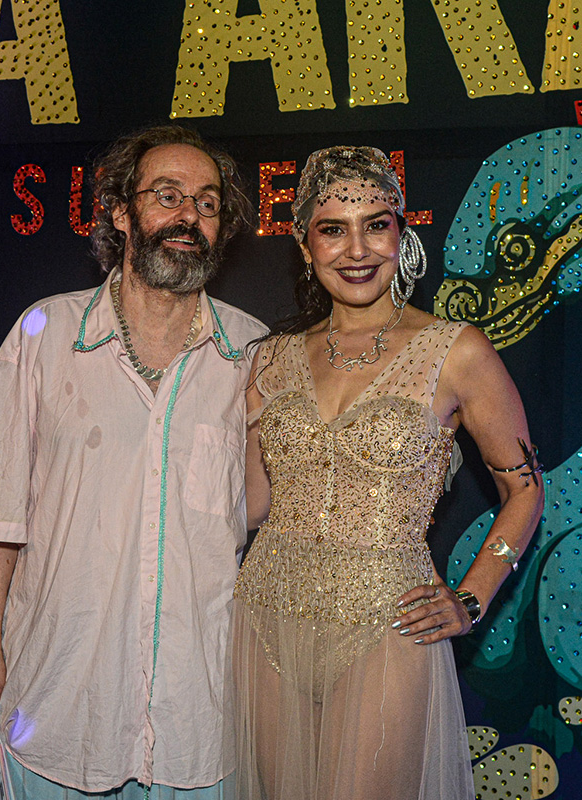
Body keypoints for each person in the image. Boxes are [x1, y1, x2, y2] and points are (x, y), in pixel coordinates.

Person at [0, 125, 267, 800]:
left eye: (207, 203)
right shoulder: (43, 337)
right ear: (122, 212)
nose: (188, 216)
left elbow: (260, 512)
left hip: (197, 718)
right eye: (168, 195)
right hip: (58, 706)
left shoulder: (255, 356)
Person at [232, 146, 545, 800]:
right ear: (304, 244)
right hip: (266, 615)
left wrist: (472, 597)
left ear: (402, 234)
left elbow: (524, 489)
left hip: (388, 619)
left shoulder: (455, 350)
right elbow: (252, 507)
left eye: (376, 225)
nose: (357, 249)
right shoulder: (269, 358)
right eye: (333, 229)